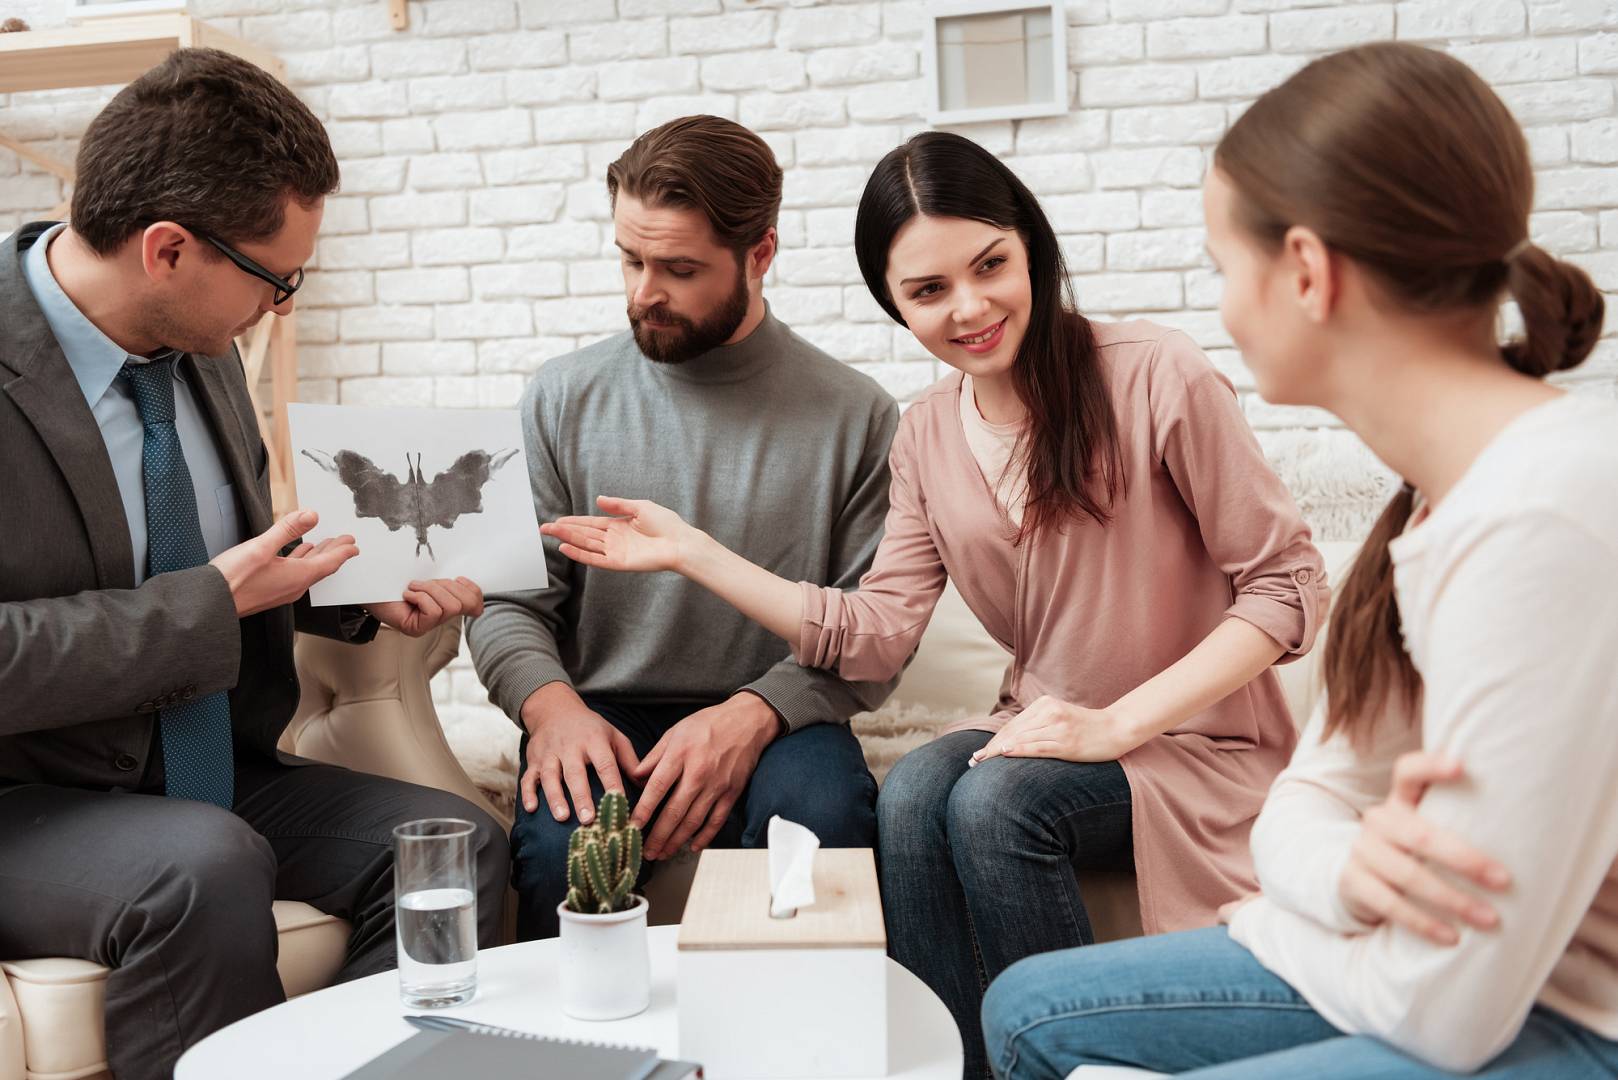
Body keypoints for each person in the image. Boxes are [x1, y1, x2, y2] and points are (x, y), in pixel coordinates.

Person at [542, 130, 1328, 1075]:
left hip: (1190, 743)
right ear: (894, 303)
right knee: (912, 792)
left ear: (1029, 245)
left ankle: (1065, 1060)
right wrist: (697, 555)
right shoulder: (923, 437)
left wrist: (1116, 724)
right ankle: (948, 1066)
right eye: (927, 291)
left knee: (995, 803)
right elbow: (874, 640)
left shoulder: (1155, 373)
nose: (970, 307)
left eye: (990, 265)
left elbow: (1287, 587)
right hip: (1045, 732)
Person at [981, 41, 1616, 1079]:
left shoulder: (1542, 517)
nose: (1222, 308)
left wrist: (1296, 923)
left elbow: (1446, 1009)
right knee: (1025, 1011)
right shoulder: (1433, 501)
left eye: (1224, 268)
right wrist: (1344, 878)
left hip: (1571, 1023)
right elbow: (1307, 799)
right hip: (1439, 981)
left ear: (1308, 273)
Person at [0, 49, 508, 1080]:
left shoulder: (201, 350)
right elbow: (192, 596)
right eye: (278, 279)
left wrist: (350, 594)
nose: (283, 307)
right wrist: (213, 600)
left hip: (205, 772)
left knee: (450, 847)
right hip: (26, 793)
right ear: (170, 250)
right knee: (202, 866)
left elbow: (218, 561)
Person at [466, 115, 899, 942]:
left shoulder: (858, 416)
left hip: (782, 714)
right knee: (561, 847)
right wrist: (552, 710)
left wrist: (753, 715)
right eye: (631, 260)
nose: (643, 293)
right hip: (601, 712)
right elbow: (508, 599)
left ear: (760, 254)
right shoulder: (561, 398)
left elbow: (875, 632)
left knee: (820, 818)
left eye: (679, 269)